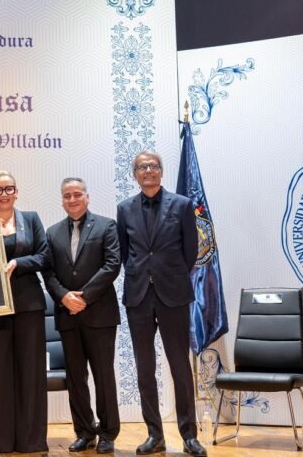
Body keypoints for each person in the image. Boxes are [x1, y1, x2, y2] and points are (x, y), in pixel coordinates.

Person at [117, 151, 206, 456]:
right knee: (144, 369)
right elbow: (126, 253)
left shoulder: (181, 205)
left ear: (161, 171)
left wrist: (168, 274)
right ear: (135, 174)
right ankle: (155, 436)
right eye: (142, 167)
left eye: (153, 166)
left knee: (180, 366)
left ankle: (189, 436)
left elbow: (191, 251)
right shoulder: (124, 209)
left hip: (173, 294)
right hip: (139, 296)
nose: (148, 171)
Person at [0, 170, 49, 453]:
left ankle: (31, 441)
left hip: (29, 305)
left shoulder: (32, 219)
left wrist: (19, 263)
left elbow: (44, 256)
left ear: (16, 192)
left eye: (9, 189)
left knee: (31, 372)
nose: (4, 194)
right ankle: (0, 441)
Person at [43, 177, 121, 454]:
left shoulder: (106, 226)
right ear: (62, 200)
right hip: (67, 315)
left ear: (87, 197)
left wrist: (84, 298)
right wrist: (65, 297)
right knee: (76, 378)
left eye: (77, 194)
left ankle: (108, 433)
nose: (72, 199)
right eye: (67, 195)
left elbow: (112, 265)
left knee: (103, 376)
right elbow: (48, 272)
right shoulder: (52, 233)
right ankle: (84, 432)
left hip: (100, 315)